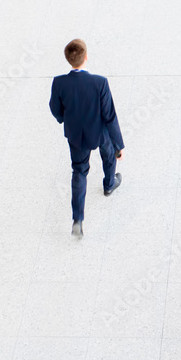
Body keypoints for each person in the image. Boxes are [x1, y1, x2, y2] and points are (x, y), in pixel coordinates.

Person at [49, 39, 124, 237]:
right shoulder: (100, 82)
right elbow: (109, 115)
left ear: (68, 60)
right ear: (86, 56)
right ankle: (109, 184)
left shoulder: (59, 82)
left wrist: (64, 119)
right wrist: (119, 144)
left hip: (75, 134)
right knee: (108, 155)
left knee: (79, 172)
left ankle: (78, 220)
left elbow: (55, 109)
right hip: (99, 132)